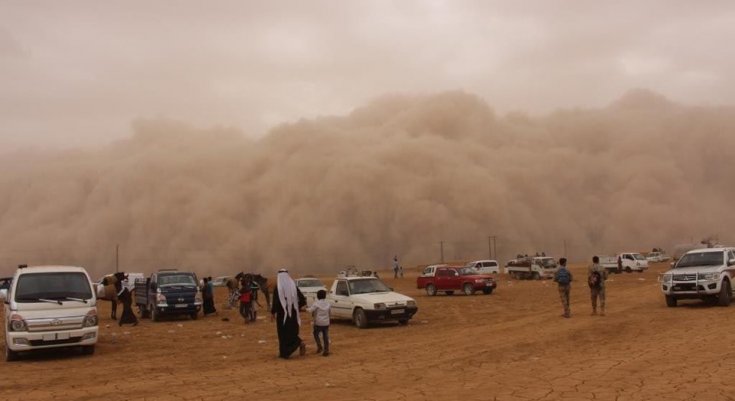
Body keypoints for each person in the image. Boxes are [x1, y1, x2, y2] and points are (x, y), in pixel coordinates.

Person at [270, 269, 306, 359]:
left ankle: (285, 352)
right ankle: (298, 343)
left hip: (282, 316)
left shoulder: (278, 288)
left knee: (283, 334)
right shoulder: (293, 286)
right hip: (293, 315)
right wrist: (297, 308)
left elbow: (276, 302)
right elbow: (302, 299)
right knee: (292, 332)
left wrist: (273, 312)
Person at [306, 289, 330, 357]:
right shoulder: (328, 304)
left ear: (318, 296)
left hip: (318, 323)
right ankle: (326, 350)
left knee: (315, 333)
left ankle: (319, 347)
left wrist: (305, 308)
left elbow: (310, 310)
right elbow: (329, 313)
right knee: (326, 337)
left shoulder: (316, 303)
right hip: (326, 323)